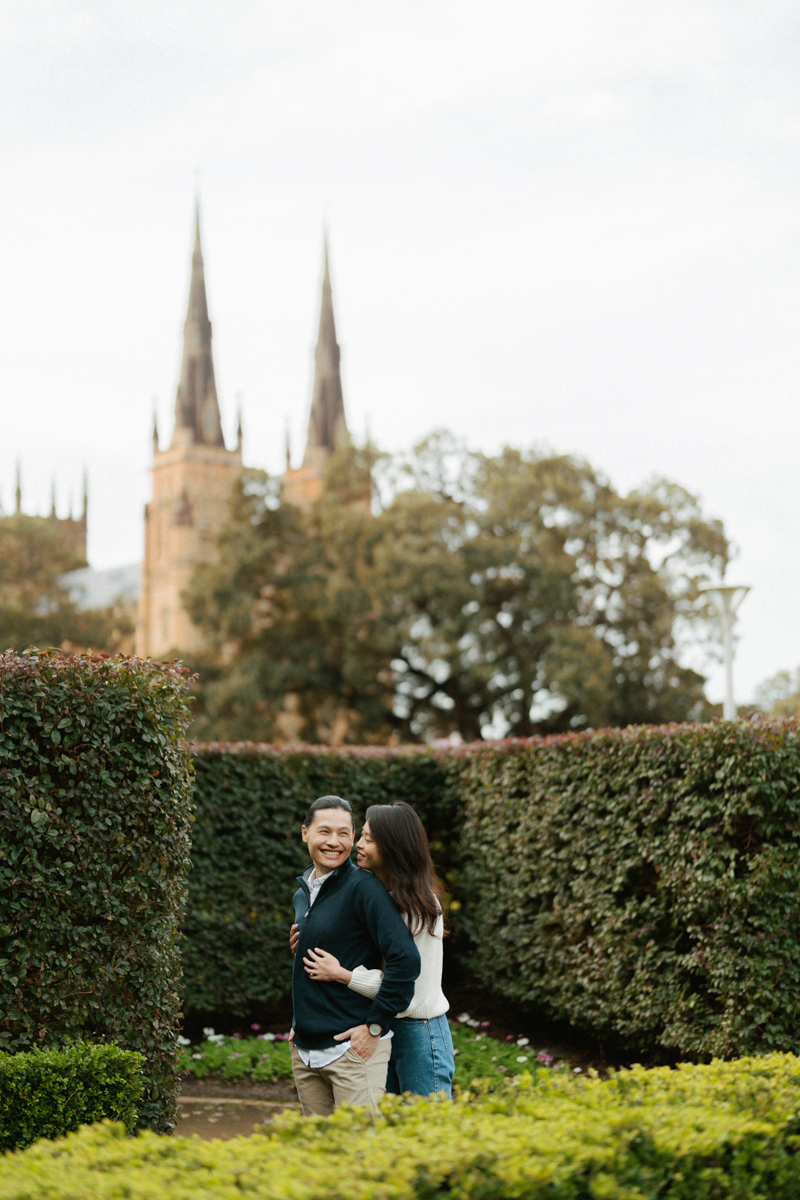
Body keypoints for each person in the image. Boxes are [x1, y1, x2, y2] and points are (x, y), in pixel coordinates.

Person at [298, 801, 455, 1098]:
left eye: (369, 839)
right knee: (391, 1132)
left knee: (424, 1131)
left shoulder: (419, 906)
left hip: (419, 1032)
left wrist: (345, 975)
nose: (358, 844)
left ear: (394, 847)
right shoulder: (377, 896)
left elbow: (411, 990)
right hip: (386, 1023)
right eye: (362, 836)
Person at [289, 794, 420, 1117]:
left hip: (352, 1052)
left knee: (361, 1158)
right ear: (305, 833)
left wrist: (375, 1025)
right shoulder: (302, 893)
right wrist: (299, 1021)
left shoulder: (364, 888)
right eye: (324, 832)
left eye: (344, 833)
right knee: (317, 1158)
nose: (334, 842)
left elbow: (406, 961)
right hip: (306, 1053)